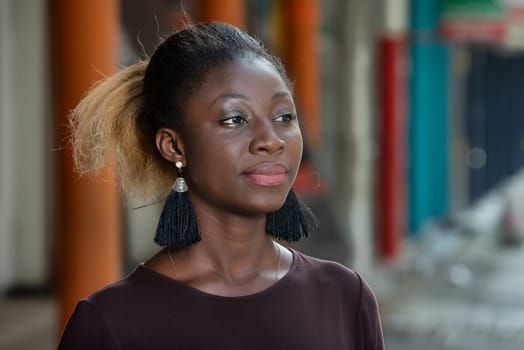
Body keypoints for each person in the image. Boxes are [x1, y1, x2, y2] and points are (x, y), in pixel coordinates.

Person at [58, 22, 384, 350]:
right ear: (173, 146)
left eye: (284, 116)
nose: (271, 141)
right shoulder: (108, 324)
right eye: (234, 119)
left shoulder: (344, 296)